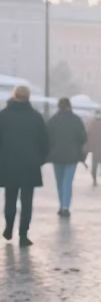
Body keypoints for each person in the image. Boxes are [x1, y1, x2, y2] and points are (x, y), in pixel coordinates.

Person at [0, 85, 49, 247]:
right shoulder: (36, 117)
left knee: (10, 198)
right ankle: (23, 234)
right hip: (30, 165)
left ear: (14, 95)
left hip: (8, 164)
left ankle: (8, 227)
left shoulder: (3, 115)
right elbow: (44, 141)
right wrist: (41, 159)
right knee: (27, 201)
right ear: (28, 97)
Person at [47, 97, 87, 217]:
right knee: (67, 182)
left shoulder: (53, 120)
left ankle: (61, 205)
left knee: (59, 182)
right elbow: (83, 138)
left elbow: (47, 137)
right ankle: (65, 207)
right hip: (72, 156)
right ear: (70, 106)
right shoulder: (76, 120)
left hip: (57, 155)